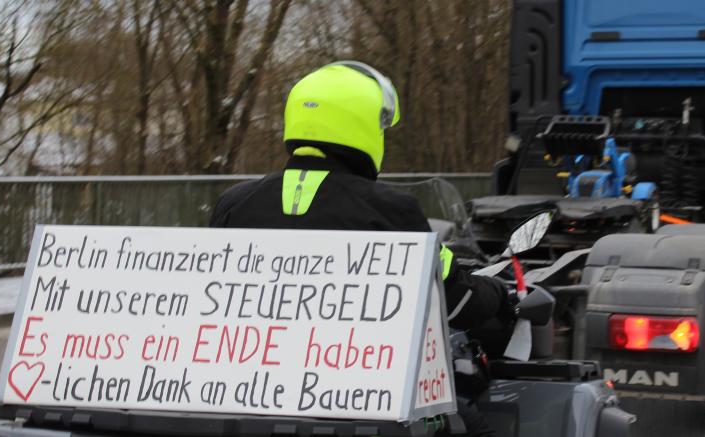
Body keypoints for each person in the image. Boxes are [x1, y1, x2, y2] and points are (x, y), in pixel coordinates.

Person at [209, 60, 510, 436]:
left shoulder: (234, 204)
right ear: (362, 124)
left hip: (247, 388)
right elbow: (457, 296)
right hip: (356, 395)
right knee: (470, 422)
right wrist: (498, 293)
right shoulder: (389, 210)